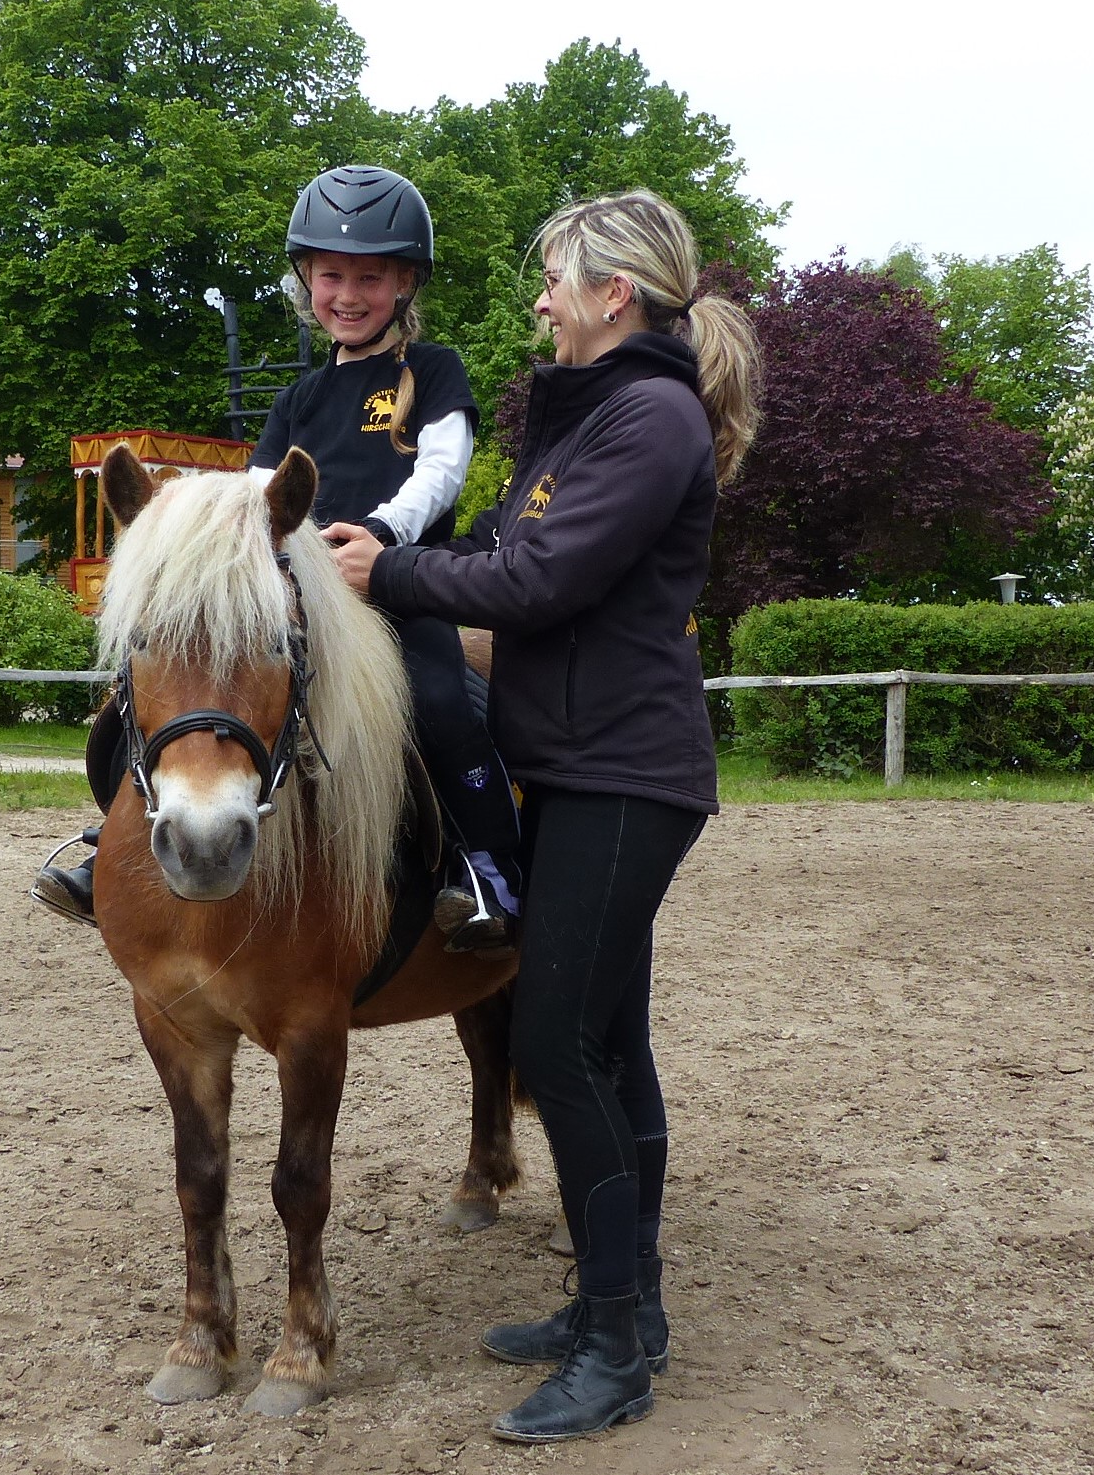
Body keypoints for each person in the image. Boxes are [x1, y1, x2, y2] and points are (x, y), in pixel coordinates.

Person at [325, 189, 762, 1443]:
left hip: (622, 773)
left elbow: (535, 578)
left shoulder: (647, 415)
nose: (537, 302)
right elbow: (523, 579)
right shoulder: (600, 421)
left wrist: (384, 569)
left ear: (608, 294)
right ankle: (619, 1306)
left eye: (551, 281)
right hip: (576, 764)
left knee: (560, 1046)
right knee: (606, 1044)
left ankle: (615, 1347)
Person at [34, 165, 522, 952]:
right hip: (294, 595)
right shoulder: (297, 397)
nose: (349, 293)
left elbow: (442, 468)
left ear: (404, 282)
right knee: (140, 702)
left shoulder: (432, 372)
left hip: (395, 587)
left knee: (443, 701)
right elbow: (256, 494)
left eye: (370, 276)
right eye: (331, 275)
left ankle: (485, 869)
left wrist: (382, 534)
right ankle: (113, 848)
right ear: (306, 280)